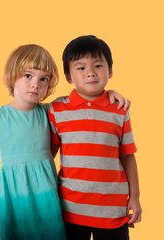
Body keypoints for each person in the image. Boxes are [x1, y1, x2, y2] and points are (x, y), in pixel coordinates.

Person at [48, 35, 142, 240]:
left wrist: (134, 197)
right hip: (70, 210)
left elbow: (128, 156)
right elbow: (49, 156)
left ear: (110, 71)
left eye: (98, 65)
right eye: (81, 68)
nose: (90, 72)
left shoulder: (120, 109)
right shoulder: (56, 109)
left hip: (112, 212)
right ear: (68, 76)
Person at [0, 44, 66, 239]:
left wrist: (109, 94)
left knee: (52, 232)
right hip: (15, 192)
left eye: (43, 79)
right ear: (12, 75)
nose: (36, 84)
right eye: (28, 76)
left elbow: (77, 100)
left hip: (46, 190)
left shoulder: (48, 112)